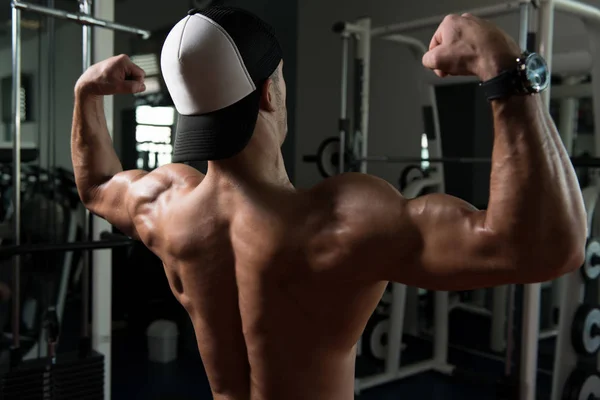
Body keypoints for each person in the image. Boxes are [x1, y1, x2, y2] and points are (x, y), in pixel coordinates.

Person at [71, 6, 586, 400]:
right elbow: (545, 249)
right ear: (270, 93)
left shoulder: (164, 207)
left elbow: (96, 184)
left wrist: (83, 95)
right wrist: (505, 67)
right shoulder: (343, 223)